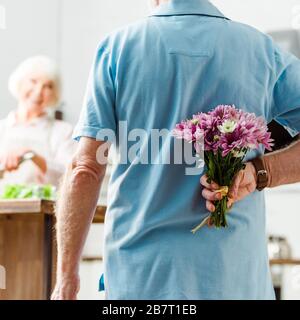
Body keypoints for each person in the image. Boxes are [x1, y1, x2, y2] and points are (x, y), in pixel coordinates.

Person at [52, 0, 300, 300]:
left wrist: (67, 278)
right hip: (235, 278)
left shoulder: (118, 48)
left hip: (140, 280)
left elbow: (85, 170)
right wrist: (262, 171)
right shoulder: (261, 50)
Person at [0, 56, 76, 190]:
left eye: (48, 86)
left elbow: (69, 176)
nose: (39, 91)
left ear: (55, 94)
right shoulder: (2, 128)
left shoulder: (63, 131)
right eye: (33, 81)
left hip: (42, 210)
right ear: (20, 82)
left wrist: (32, 156)